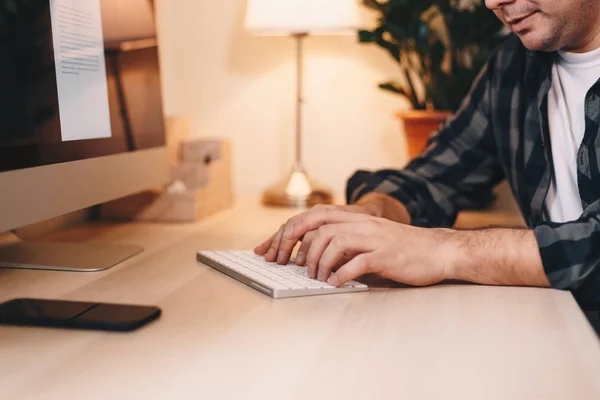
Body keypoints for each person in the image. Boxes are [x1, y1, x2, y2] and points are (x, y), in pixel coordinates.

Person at [254, 0, 600, 313]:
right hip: (559, 329)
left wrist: (445, 249)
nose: (493, 2)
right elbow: (436, 174)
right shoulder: (515, 62)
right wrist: (372, 212)